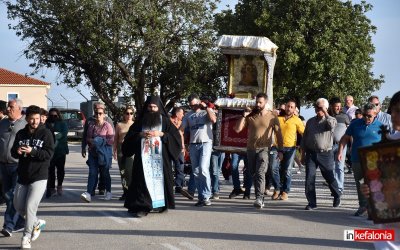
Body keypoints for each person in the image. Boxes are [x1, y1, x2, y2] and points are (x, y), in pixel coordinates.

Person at [122, 96, 181, 218]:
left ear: (158, 108)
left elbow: (175, 137)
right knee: (142, 181)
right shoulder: (140, 121)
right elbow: (129, 137)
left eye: (154, 107)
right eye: (149, 106)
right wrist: (140, 134)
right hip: (143, 158)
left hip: (161, 157)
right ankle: (142, 206)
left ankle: (161, 204)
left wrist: (161, 134)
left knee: (161, 179)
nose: (152, 109)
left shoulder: (165, 121)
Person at [360, 90, 400, 250]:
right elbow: (375, 180)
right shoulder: (384, 144)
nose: (395, 115)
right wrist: (368, 188)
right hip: (388, 224)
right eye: (394, 110)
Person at [11, 105, 54, 249]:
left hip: (39, 176)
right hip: (23, 175)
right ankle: (36, 223)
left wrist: (33, 151)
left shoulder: (46, 133)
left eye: (37, 119)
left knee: (30, 207)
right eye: (32, 119)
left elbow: (48, 154)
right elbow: (13, 152)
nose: (35, 122)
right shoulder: (21, 134)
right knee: (18, 206)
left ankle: (26, 237)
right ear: (27, 118)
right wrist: (17, 151)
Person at [234, 93, 284, 209]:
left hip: (265, 149)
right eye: (256, 102)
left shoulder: (272, 117)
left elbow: (279, 134)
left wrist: (281, 150)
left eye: (260, 102)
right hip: (251, 149)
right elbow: (237, 129)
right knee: (253, 173)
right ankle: (259, 196)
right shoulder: (250, 116)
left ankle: (259, 198)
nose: (257, 104)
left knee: (261, 172)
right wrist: (244, 115)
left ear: (265, 103)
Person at [337, 103, 383, 216]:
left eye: (369, 116)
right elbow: (344, 138)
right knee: (360, 183)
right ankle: (363, 205)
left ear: (375, 115)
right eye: (365, 115)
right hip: (357, 159)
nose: (367, 118)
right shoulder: (355, 124)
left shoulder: (381, 126)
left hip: (374, 160)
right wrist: (340, 152)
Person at [301, 98, 341, 210]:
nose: (318, 109)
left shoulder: (330, 119)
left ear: (326, 108)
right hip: (311, 153)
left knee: (329, 177)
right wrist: (303, 154)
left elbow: (332, 125)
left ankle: (337, 195)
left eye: (321, 107)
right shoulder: (310, 121)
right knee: (309, 178)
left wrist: (325, 111)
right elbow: (305, 138)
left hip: (325, 153)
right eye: (317, 107)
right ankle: (312, 203)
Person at [181, 94, 216, 207]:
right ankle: (201, 197)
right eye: (191, 106)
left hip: (205, 143)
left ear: (199, 102)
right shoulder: (188, 115)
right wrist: (181, 144)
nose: (194, 107)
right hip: (193, 144)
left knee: (203, 168)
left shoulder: (207, 111)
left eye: (195, 105)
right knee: (196, 171)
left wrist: (206, 108)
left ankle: (206, 196)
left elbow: (213, 120)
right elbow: (181, 129)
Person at [0, 99, 26, 237]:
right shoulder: (2, 123)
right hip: (3, 165)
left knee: (12, 195)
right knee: (6, 194)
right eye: (7, 107)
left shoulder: (25, 124)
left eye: (11, 107)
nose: (8, 109)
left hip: (18, 165)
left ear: (19, 109)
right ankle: (20, 222)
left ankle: (8, 225)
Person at [271, 99, 304, 200]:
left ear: (294, 110)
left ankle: (285, 191)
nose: (289, 108)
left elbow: (303, 132)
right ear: (284, 107)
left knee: (287, 170)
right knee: (273, 168)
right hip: (276, 146)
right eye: (287, 106)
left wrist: (304, 146)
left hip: (290, 148)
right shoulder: (277, 118)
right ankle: (277, 188)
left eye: (291, 107)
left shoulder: (297, 120)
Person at [80, 105, 114, 202]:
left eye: (100, 113)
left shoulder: (107, 125)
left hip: (104, 154)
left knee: (105, 173)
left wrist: (99, 141)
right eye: (96, 113)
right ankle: (88, 193)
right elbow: (87, 137)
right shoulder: (91, 125)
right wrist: (86, 145)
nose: (98, 115)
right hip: (93, 153)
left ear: (104, 114)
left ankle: (108, 192)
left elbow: (111, 140)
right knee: (92, 173)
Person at [169, 107, 193, 200]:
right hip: (170, 147)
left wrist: (183, 146)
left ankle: (178, 186)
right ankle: (169, 186)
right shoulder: (168, 122)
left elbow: (181, 135)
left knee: (180, 166)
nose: (183, 115)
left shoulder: (181, 123)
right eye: (182, 113)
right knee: (169, 167)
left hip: (179, 148)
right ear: (176, 113)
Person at [45, 108, 69, 198]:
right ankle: (51, 188)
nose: (53, 117)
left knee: (60, 170)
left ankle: (59, 185)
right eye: (51, 115)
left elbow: (62, 135)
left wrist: (53, 135)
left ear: (58, 115)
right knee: (50, 170)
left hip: (60, 150)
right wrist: (54, 135)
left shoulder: (62, 124)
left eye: (55, 115)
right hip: (50, 151)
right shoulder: (46, 124)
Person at [329, 97, 350, 194]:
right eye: (336, 106)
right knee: (330, 167)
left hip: (341, 145)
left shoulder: (345, 116)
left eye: (339, 106)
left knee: (339, 167)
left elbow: (349, 130)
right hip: (329, 146)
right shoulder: (327, 116)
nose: (338, 108)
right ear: (331, 107)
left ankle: (339, 188)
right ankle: (334, 187)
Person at [113, 106, 135, 200]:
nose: (129, 115)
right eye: (127, 113)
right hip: (121, 150)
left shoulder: (135, 124)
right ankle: (125, 192)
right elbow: (115, 139)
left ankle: (131, 192)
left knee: (130, 172)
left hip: (131, 150)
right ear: (124, 115)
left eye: (131, 113)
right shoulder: (119, 125)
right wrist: (114, 150)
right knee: (123, 172)